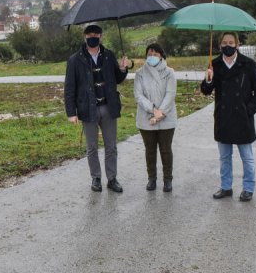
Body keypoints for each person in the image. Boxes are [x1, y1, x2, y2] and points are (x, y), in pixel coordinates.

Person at [201, 32, 256, 202]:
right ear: (219, 45)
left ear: (237, 44)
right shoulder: (214, 64)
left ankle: (248, 188)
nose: (227, 45)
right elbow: (206, 91)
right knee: (224, 157)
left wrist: (249, 109)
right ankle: (226, 187)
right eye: (224, 42)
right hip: (223, 118)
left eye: (231, 42)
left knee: (247, 157)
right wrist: (208, 80)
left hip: (243, 118)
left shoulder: (248, 64)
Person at [64, 24, 130, 193]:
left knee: (111, 146)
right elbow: (69, 88)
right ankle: (96, 178)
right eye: (89, 34)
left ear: (101, 36)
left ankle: (112, 178)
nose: (92, 36)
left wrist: (123, 68)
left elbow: (117, 78)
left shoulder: (108, 55)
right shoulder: (74, 60)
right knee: (92, 147)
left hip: (108, 107)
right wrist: (71, 112)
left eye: (96, 34)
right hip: (87, 109)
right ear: (84, 37)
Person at [134, 44, 177, 192]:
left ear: (161, 55)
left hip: (167, 118)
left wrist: (160, 114)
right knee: (150, 150)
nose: (152, 56)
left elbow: (170, 94)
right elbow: (138, 95)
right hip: (146, 118)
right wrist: (153, 109)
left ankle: (168, 179)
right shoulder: (139, 73)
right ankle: (151, 178)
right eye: (149, 53)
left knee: (166, 150)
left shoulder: (169, 72)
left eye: (155, 53)